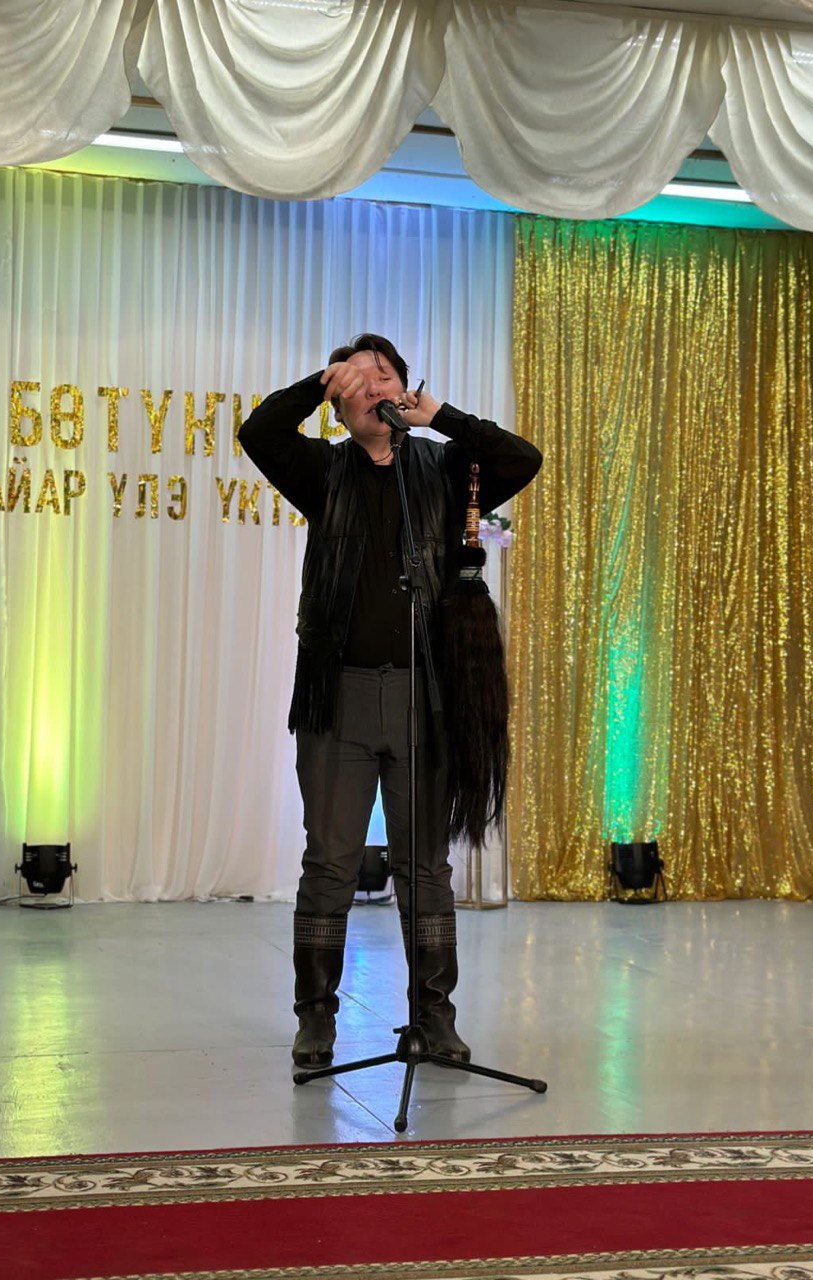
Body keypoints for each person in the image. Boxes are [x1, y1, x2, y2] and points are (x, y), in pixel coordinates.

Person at [238, 334, 542, 1069]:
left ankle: (434, 1017)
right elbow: (260, 432)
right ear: (340, 403)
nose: (372, 388)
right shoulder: (321, 471)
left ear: (405, 391)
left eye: (384, 376)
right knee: (330, 862)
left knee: (424, 866)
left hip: (424, 696)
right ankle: (316, 1019)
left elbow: (521, 459)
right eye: (357, 380)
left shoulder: (444, 469)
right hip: (338, 697)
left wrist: (443, 418)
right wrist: (319, 379)